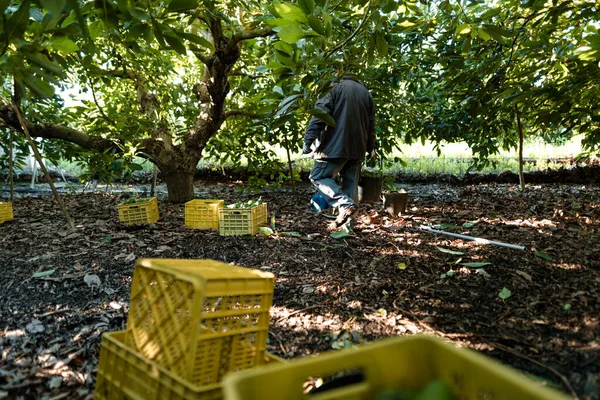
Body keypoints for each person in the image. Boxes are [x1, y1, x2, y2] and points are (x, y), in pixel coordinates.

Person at [302, 74, 375, 227]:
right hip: (358, 148)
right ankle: (348, 225)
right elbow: (370, 125)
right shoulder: (365, 93)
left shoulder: (334, 88)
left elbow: (320, 115)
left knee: (317, 176)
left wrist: (308, 140)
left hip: (335, 146)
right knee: (350, 184)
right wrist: (370, 147)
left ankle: (344, 204)